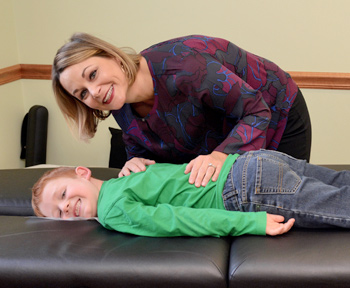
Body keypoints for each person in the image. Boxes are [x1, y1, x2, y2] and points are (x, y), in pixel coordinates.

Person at [52, 33, 312, 187]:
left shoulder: (185, 68)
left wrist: (220, 157)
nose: (94, 91)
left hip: (276, 113)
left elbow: (256, 111)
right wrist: (135, 162)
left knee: (283, 198)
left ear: (114, 58)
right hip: (225, 137)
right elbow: (146, 147)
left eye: (93, 74)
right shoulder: (116, 100)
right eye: (82, 93)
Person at [32, 149, 350, 238]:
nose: (66, 207)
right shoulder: (125, 177)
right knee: (341, 183)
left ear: (82, 171)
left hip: (245, 189)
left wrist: (252, 223)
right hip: (253, 161)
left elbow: (179, 220)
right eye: (58, 214)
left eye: (62, 194)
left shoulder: (113, 210)